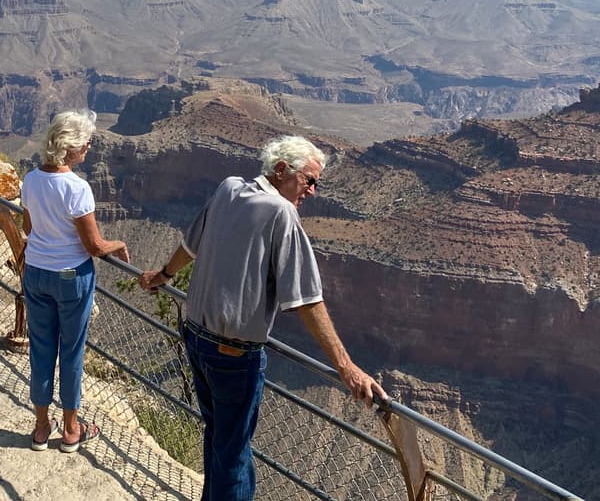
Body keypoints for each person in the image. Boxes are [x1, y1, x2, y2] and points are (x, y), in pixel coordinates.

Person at [138, 135, 388, 501]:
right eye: (309, 180)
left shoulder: (228, 189)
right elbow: (307, 300)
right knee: (234, 456)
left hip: (195, 338)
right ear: (282, 170)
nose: (313, 191)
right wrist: (346, 367)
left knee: (220, 441)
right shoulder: (281, 213)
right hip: (233, 356)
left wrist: (164, 275)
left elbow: (190, 246)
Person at [19, 109, 129, 453]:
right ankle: (70, 430)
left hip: (35, 273)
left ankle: (40, 428)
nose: (90, 146)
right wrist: (120, 244)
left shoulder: (30, 179)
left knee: (40, 349)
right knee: (70, 352)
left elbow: (28, 228)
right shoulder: (77, 188)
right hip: (70, 278)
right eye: (86, 142)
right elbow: (94, 246)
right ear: (70, 146)